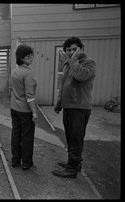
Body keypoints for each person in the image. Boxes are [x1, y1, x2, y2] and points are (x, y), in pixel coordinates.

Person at [52, 36, 96, 178]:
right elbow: (64, 85)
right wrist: (59, 104)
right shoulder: (69, 64)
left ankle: (71, 169)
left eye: (74, 49)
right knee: (70, 137)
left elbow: (80, 76)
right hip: (69, 107)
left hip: (80, 108)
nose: (71, 52)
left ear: (80, 49)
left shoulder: (89, 63)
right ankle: (74, 163)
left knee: (76, 138)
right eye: (68, 50)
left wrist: (73, 59)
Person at [10, 44, 38, 171]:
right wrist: (34, 112)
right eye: (28, 56)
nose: (31, 57)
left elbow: (12, 89)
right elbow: (30, 96)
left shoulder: (14, 72)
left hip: (14, 109)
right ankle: (26, 162)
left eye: (32, 55)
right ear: (21, 58)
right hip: (25, 111)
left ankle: (15, 160)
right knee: (26, 137)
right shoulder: (28, 73)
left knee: (16, 134)